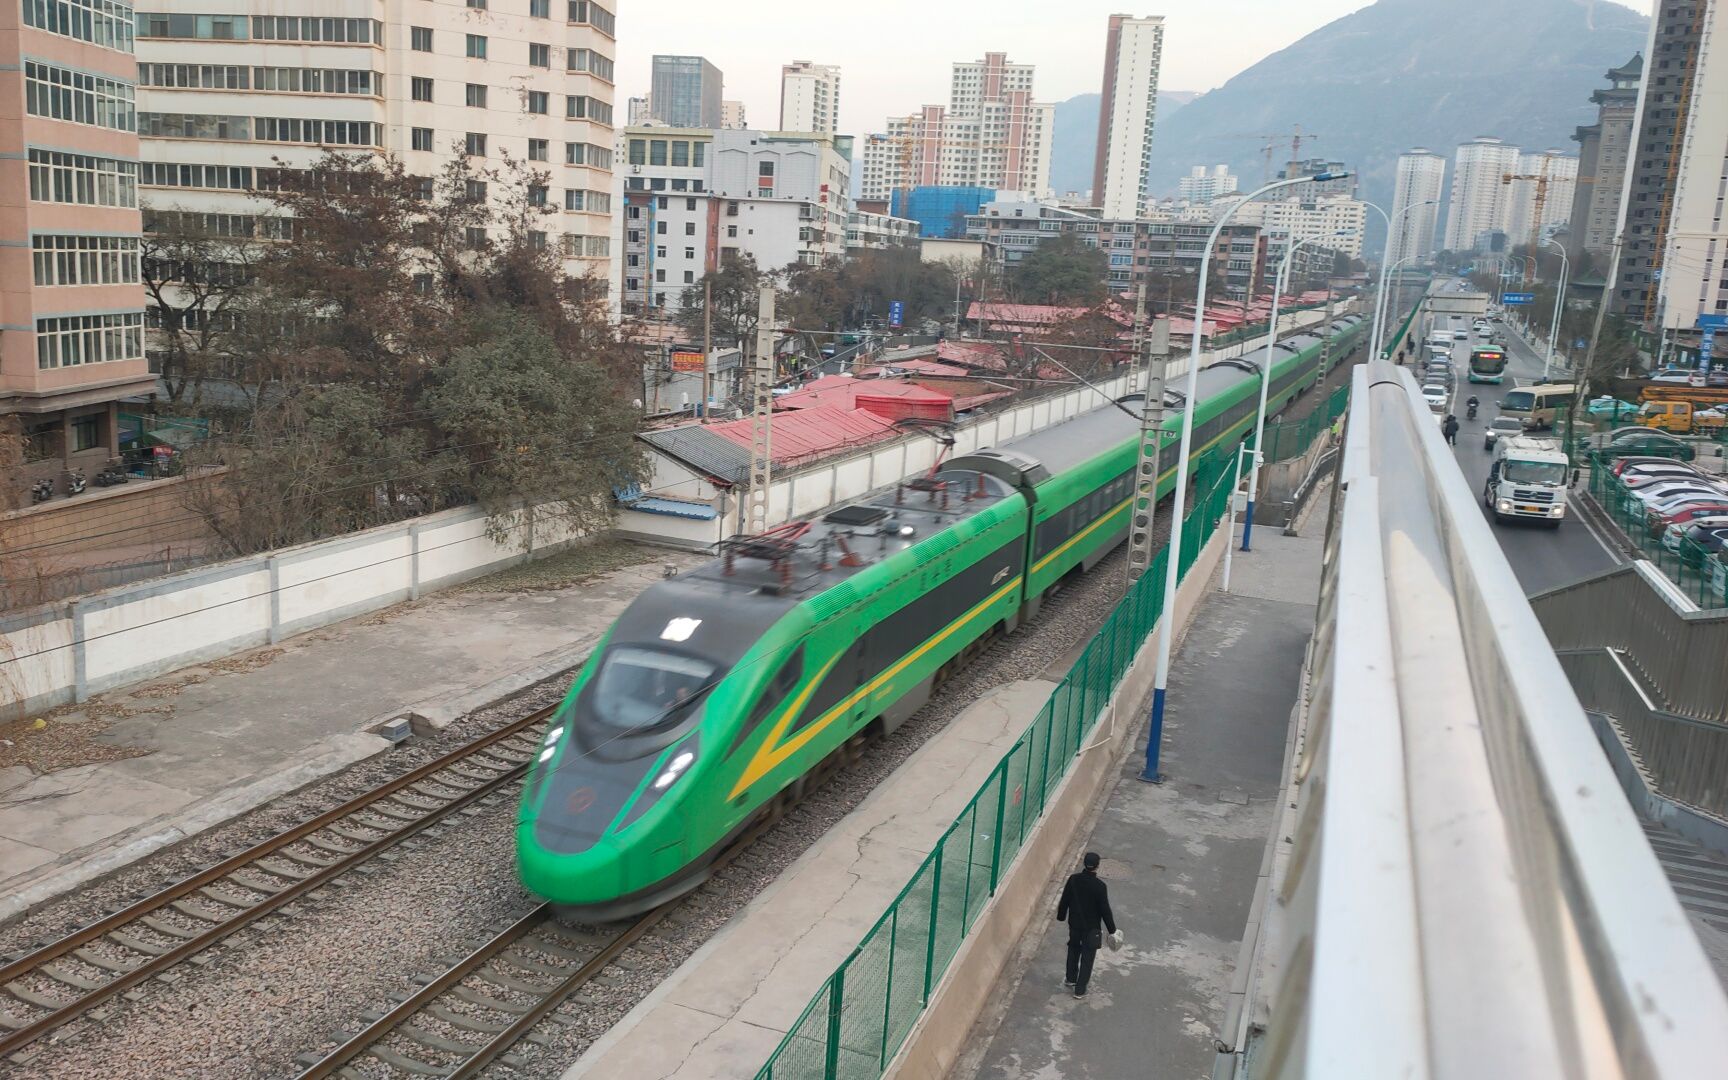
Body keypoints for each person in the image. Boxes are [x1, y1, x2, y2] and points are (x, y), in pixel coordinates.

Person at [1056, 851, 1116, 998]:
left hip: (1075, 924)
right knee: (1088, 957)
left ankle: (1070, 978)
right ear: (1097, 866)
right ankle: (1080, 989)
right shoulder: (1100, 886)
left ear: (1084, 864)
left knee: (1073, 949)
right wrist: (1112, 929)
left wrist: (1061, 916)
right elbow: (1105, 910)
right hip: (1091, 928)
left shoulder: (1073, 880)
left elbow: (1065, 900)